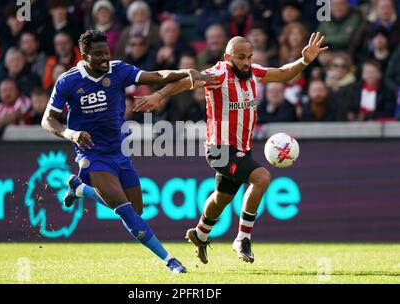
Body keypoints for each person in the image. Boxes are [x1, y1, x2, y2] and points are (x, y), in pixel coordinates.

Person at [133, 32, 328, 264]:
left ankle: (200, 233)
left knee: (222, 198)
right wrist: (159, 95)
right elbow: (186, 82)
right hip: (219, 149)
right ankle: (242, 238)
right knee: (262, 177)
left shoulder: (254, 73)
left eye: (249, 56)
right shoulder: (219, 74)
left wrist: (304, 60)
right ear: (228, 57)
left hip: (241, 150)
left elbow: (285, 73)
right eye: (241, 57)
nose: (246, 62)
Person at [41, 29, 211, 273]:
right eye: (97, 54)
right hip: (91, 155)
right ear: (83, 56)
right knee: (127, 213)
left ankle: (80, 190)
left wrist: (186, 72)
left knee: (137, 210)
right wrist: (70, 133)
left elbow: (158, 76)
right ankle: (169, 260)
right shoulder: (68, 81)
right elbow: (48, 120)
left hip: (118, 152)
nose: (104, 59)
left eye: (106, 53)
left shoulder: (118, 70)